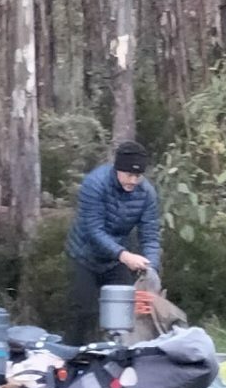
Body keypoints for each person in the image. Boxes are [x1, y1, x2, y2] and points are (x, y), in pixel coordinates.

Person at [64, 141, 162, 344]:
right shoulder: (95, 184)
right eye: (129, 175)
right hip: (85, 255)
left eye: (138, 176)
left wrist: (151, 272)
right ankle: (72, 360)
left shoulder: (146, 194)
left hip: (116, 259)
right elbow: (94, 230)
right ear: (117, 169)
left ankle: (117, 361)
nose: (133, 180)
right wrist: (124, 255)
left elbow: (150, 236)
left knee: (124, 313)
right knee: (85, 312)